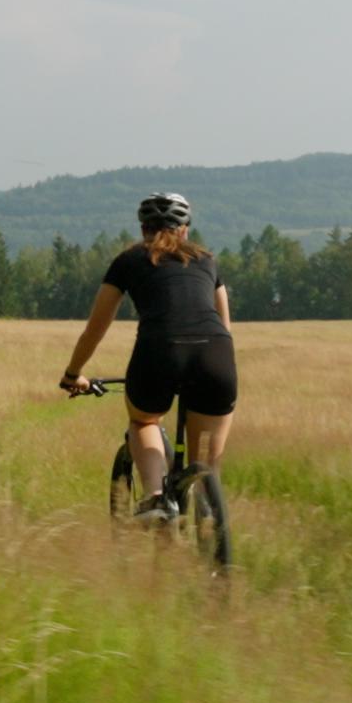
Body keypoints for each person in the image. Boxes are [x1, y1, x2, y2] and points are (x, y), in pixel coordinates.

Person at [60, 193, 236, 521]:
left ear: (143, 229)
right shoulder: (208, 261)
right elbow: (224, 326)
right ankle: (210, 513)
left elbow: (95, 330)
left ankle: (156, 498)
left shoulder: (128, 260)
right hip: (216, 353)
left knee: (143, 419)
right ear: (184, 230)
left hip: (159, 351)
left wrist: (73, 374)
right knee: (205, 460)